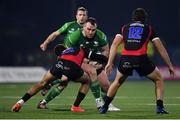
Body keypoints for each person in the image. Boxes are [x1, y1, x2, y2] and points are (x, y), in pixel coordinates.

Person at [99, 8, 175, 114]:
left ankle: (104, 107)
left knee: (117, 82)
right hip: (141, 59)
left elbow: (115, 44)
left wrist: (109, 63)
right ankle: (159, 108)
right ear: (144, 19)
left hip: (126, 59)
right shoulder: (148, 28)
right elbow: (160, 48)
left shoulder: (124, 28)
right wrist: (170, 65)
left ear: (133, 18)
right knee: (158, 80)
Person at [38, 17, 120, 111]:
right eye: (88, 29)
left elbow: (106, 50)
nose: (91, 32)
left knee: (105, 84)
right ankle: (99, 103)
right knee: (83, 75)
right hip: (75, 61)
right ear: (83, 27)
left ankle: (107, 105)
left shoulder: (100, 35)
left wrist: (99, 62)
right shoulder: (74, 36)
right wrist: (88, 62)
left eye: (93, 30)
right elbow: (70, 54)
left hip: (94, 60)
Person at [11, 45, 108, 112]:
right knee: (87, 80)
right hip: (72, 67)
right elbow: (97, 57)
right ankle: (75, 106)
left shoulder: (65, 51)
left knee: (41, 83)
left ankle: (20, 102)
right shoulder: (82, 49)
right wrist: (108, 60)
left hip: (59, 64)